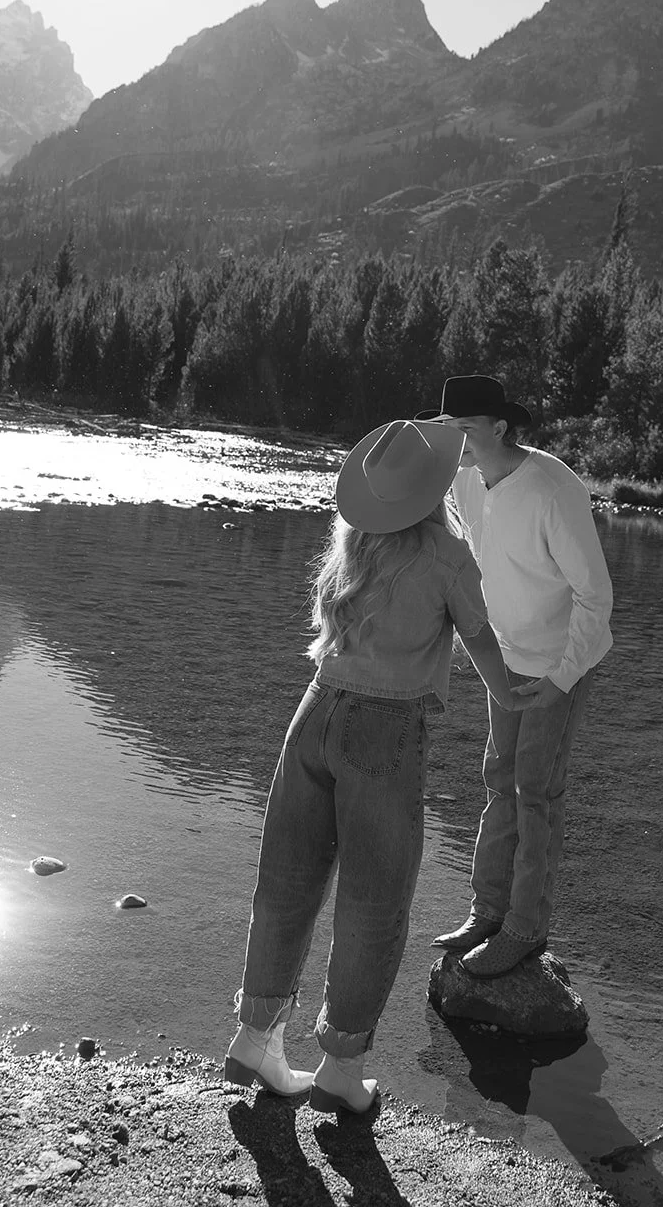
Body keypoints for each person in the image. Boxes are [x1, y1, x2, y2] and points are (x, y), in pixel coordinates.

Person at [225, 417, 517, 1116]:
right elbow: (485, 653)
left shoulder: (350, 541)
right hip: (384, 733)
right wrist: (525, 694)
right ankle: (339, 1070)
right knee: (373, 905)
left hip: (314, 710)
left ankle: (252, 1036)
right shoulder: (448, 555)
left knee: (287, 882)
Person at [420, 375, 614, 978]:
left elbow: (596, 598)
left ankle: (525, 931)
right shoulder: (462, 476)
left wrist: (560, 680)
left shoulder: (554, 489)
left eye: (466, 430)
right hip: (503, 660)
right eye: (448, 430)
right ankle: (488, 912)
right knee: (497, 780)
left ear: (500, 429)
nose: (456, 442)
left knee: (536, 793)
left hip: (557, 666)